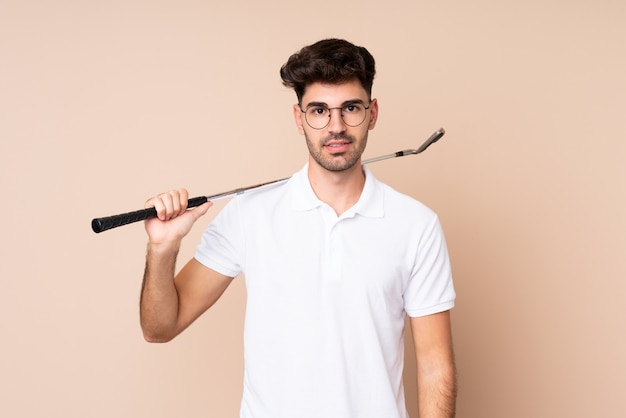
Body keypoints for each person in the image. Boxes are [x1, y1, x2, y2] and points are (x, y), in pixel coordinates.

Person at [140, 38, 457, 418]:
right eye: (319, 110)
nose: (336, 126)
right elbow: (159, 328)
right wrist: (162, 250)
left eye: (350, 108)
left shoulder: (416, 225)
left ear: (372, 113)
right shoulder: (249, 213)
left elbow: (436, 368)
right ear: (299, 118)